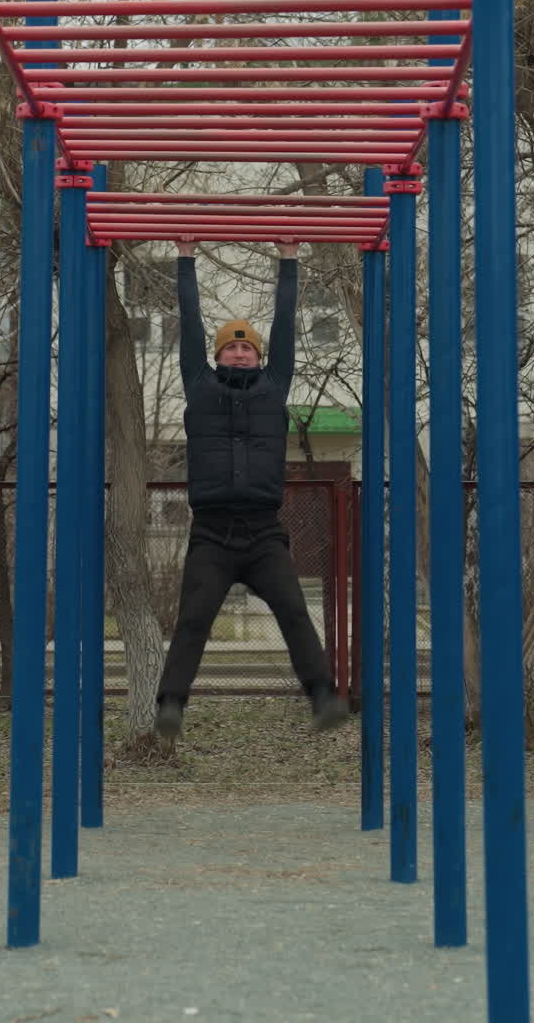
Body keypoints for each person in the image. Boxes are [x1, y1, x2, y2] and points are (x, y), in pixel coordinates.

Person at [154, 237, 350, 739]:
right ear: (218, 355)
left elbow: (285, 329)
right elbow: (189, 322)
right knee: (193, 618)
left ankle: (323, 696)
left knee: (292, 610)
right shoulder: (199, 385)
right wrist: (185, 257)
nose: (240, 352)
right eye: (231, 346)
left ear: (258, 357)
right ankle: (171, 705)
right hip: (212, 534)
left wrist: (289, 261)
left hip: (264, 533)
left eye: (247, 347)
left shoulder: (274, 385)